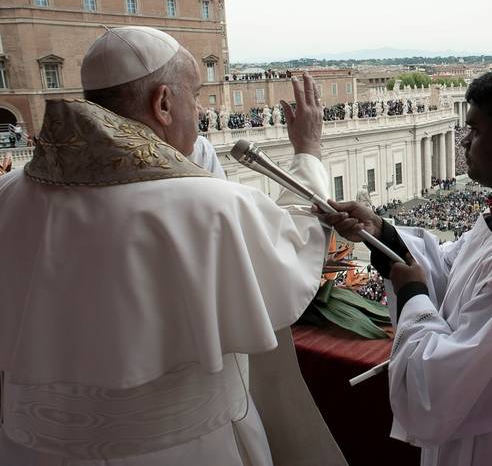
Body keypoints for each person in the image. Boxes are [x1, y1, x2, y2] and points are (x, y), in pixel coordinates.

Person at [0, 27, 345, 466]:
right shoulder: (207, 206)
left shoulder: (7, 194)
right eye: (195, 95)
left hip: (33, 449)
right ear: (163, 103)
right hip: (180, 450)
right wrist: (309, 151)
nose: (200, 111)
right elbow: (291, 250)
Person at [321, 67, 492, 466]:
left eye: (475, 129)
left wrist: (412, 293)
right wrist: (381, 233)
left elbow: (437, 391)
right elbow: (454, 270)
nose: (464, 141)